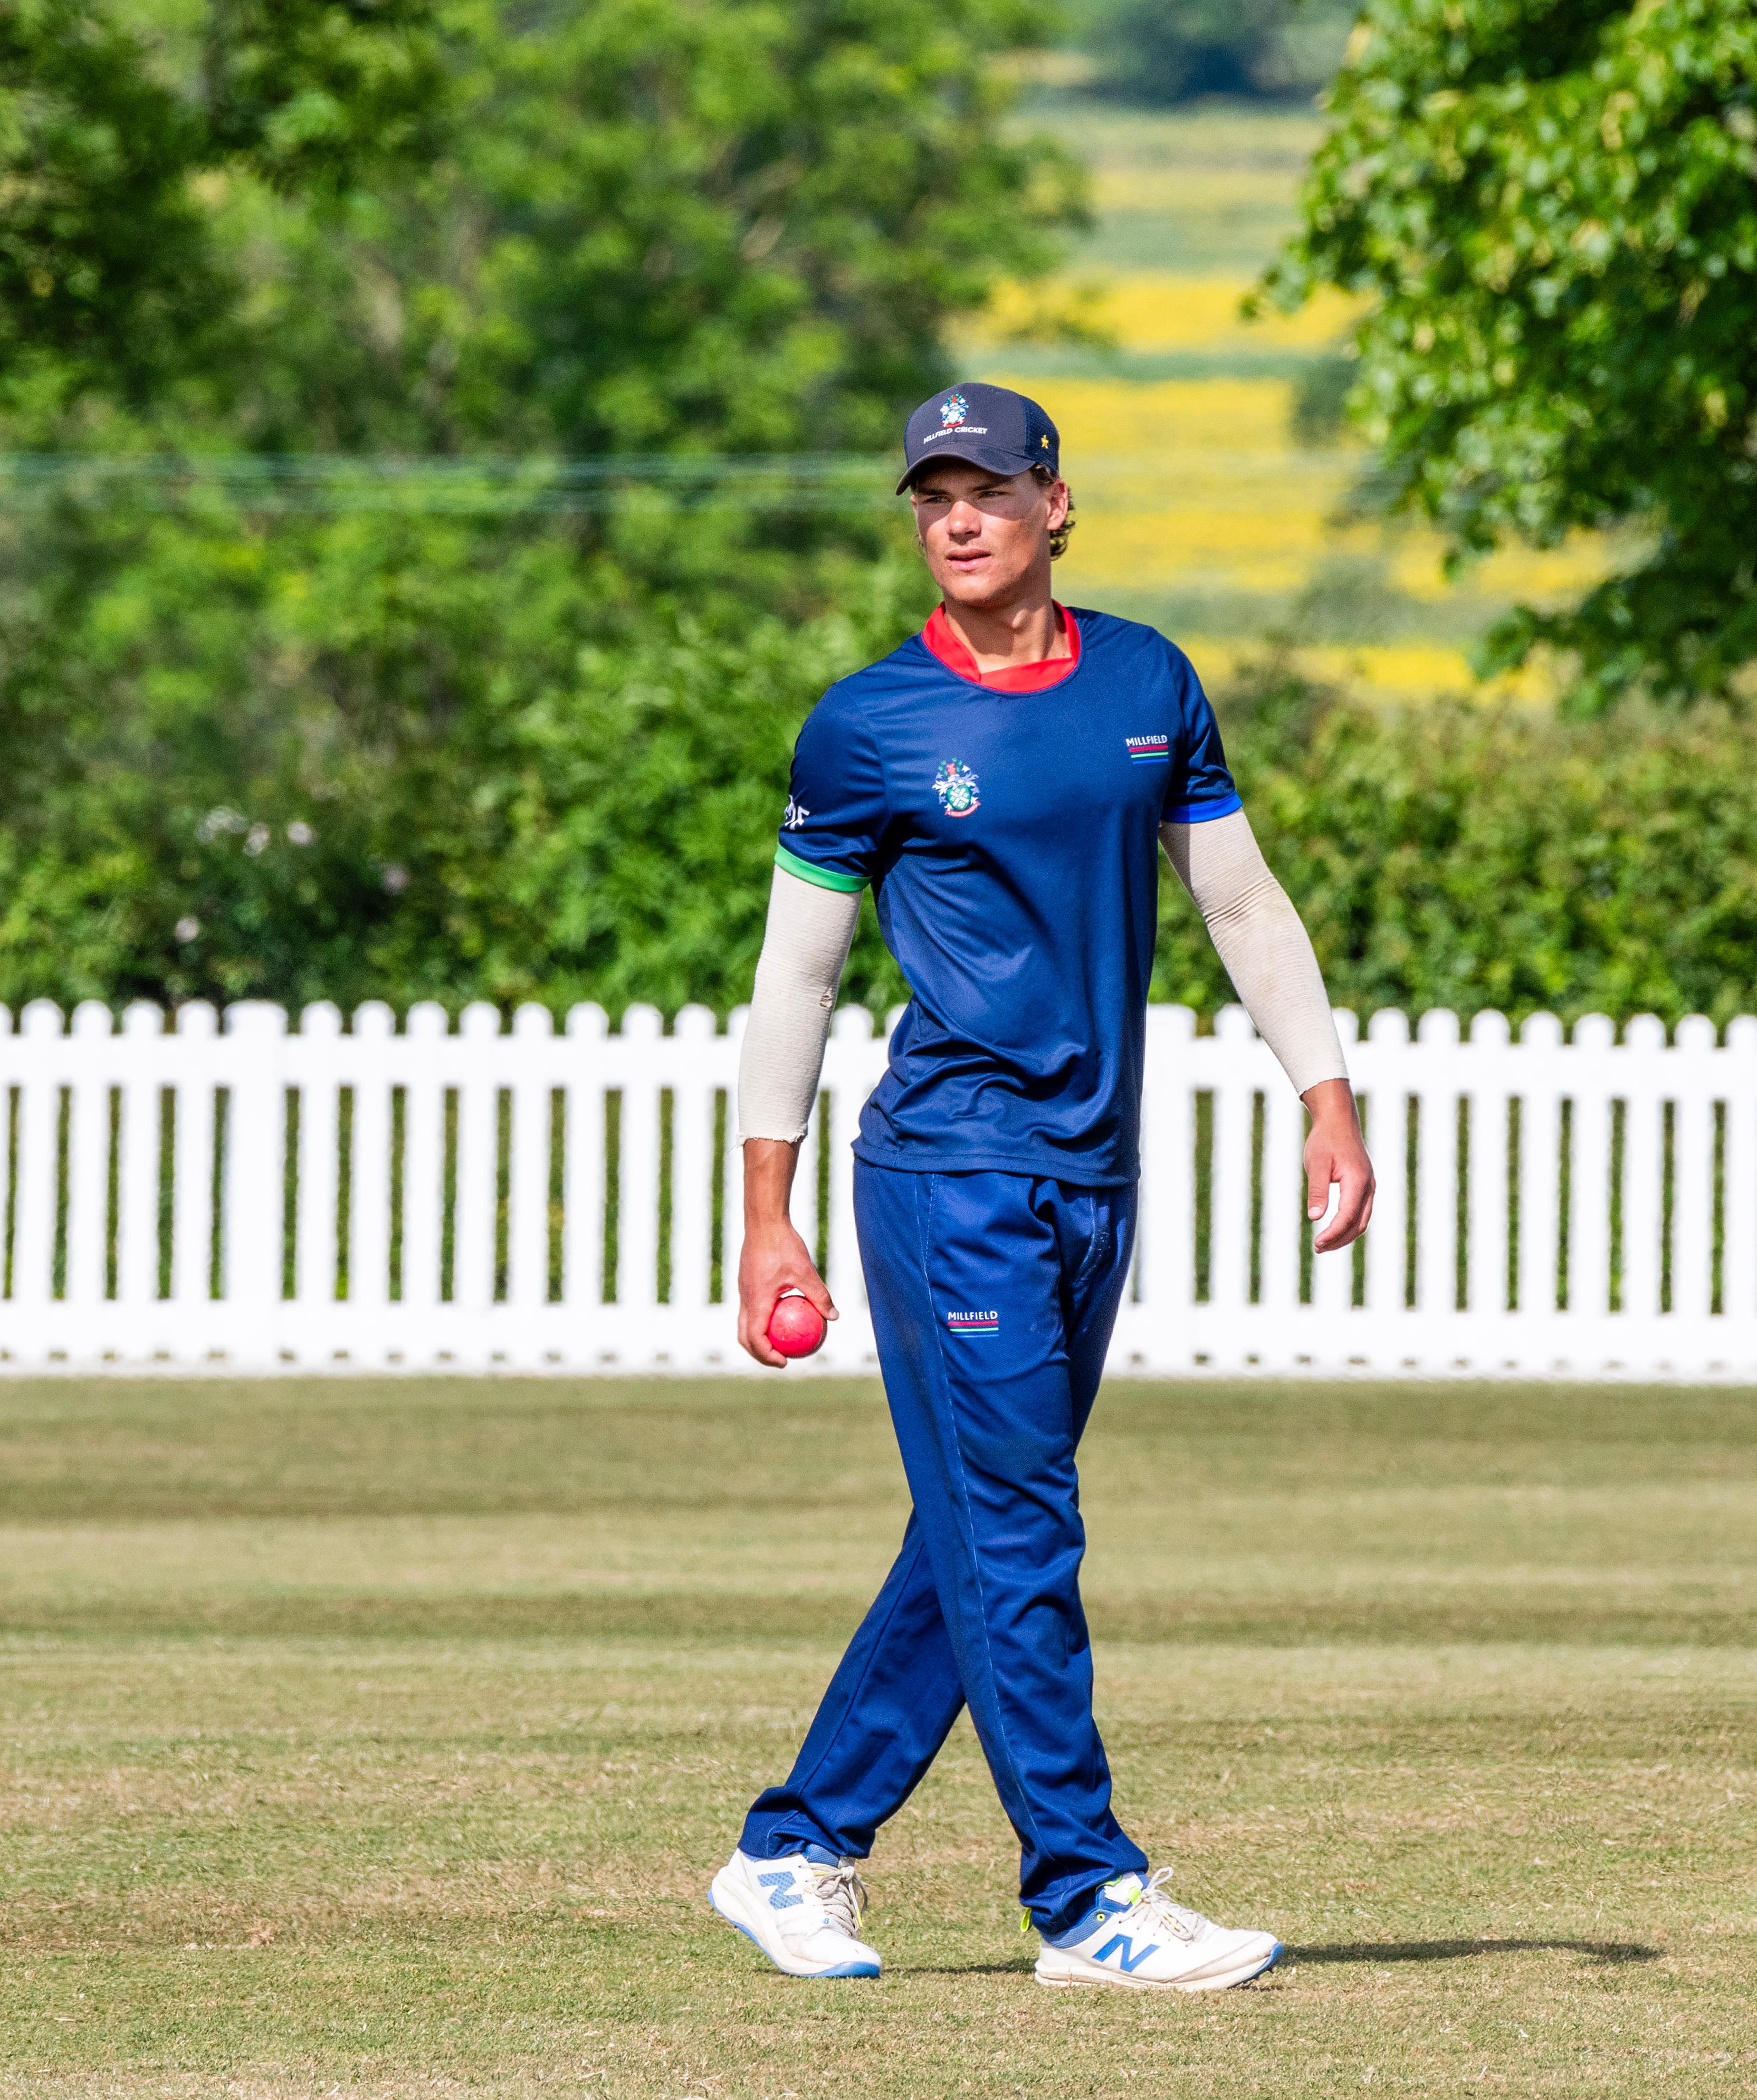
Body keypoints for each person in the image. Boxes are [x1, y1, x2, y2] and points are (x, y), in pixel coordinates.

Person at [703, 382, 1373, 1993]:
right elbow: (794, 981)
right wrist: (765, 1215)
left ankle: (792, 1846)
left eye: (987, 489)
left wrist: (1325, 1095)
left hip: (1094, 1170)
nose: (955, 517)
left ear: (1053, 503)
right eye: (930, 492)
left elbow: (1242, 904)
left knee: (977, 1533)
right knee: (1022, 1528)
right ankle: (1086, 1896)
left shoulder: (1149, 682)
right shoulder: (862, 726)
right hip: (948, 1167)